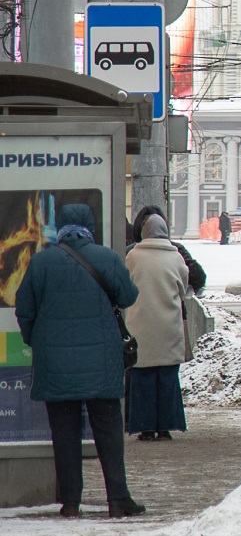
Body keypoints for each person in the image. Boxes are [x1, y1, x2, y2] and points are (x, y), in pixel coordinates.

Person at [15, 202, 145, 518]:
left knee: (65, 434)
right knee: (109, 432)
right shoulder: (107, 258)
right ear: (91, 227)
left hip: (55, 364)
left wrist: (39, 341)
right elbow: (128, 297)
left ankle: (71, 503)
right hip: (102, 362)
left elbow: (25, 312)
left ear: (61, 226)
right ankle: (117, 500)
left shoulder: (41, 262)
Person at [123, 214, 192, 441]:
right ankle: (166, 426)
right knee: (167, 377)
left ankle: (145, 428)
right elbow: (184, 289)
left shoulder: (133, 256)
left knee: (142, 377)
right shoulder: (175, 257)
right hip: (168, 326)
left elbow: (125, 286)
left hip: (139, 326)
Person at [129, 206, 206, 295]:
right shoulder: (176, 251)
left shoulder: (130, 253)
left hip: (136, 308)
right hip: (172, 307)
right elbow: (198, 278)